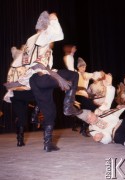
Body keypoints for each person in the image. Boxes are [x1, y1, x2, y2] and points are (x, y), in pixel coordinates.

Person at [3, 11, 81, 152]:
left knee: (49, 112)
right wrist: (53, 17)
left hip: (34, 81)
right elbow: (58, 33)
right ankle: (69, 106)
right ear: (44, 27)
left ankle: (48, 144)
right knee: (74, 76)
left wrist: (18, 83)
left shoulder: (28, 42)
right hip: (42, 78)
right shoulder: (42, 36)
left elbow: (29, 67)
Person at [75, 57, 104, 136]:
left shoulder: (86, 74)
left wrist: (100, 73)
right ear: (78, 67)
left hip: (84, 95)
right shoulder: (75, 74)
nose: (84, 68)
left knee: (87, 111)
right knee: (88, 110)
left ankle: (84, 129)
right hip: (77, 95)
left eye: (84, 67)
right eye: (82, 67)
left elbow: (93, 75)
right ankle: (85, 128)